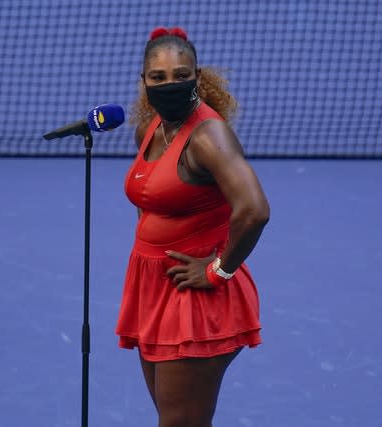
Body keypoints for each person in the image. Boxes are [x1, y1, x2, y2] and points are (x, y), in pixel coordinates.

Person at [115, 26, 270, 427]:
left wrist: (219, 269)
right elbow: (152, 200)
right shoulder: (149, 129)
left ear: (197, 78)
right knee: (176, 418)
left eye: (181, 75)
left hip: (195, 299)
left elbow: (254, 211)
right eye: (159, 77)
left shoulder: (209, 136)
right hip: (155, 290)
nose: (170, 84)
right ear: (144, 81)